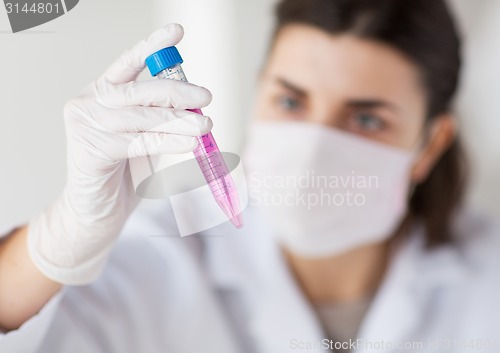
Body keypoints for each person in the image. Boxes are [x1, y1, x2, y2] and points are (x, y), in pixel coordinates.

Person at [1, 0, 499, 352]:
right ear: (258, 91)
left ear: (430, 144)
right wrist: (57, 242)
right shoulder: (164, 258)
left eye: (366, 119)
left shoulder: (487, 280)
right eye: (289, 100)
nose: (313, 149)